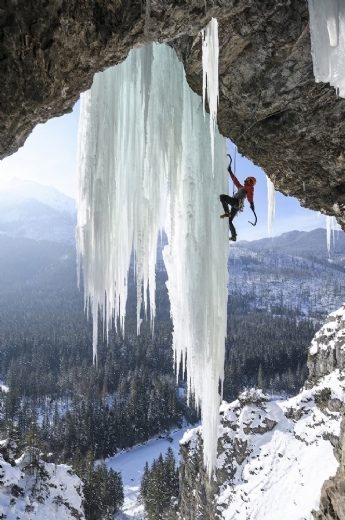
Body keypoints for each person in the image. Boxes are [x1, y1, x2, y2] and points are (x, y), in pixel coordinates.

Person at [220, 161, 256, 241]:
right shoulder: (242, 187)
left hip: (236, 202)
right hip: (237, 206)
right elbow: (235, 181)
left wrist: (251, 203)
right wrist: (230, 172)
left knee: (222, 197)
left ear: (250, 181)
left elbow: (250, 195)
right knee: (229, 221)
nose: (245, 179)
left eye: (247, 179)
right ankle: (234, 236)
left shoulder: (249, 187)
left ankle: (226, 212)